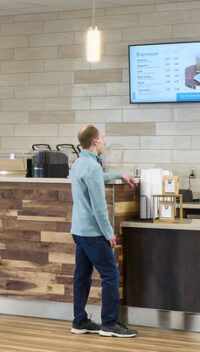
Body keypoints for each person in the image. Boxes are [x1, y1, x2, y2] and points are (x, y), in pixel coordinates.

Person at [69, 126, 139, 338]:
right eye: (102, 138)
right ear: (95, 141)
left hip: (79, 231)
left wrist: (119, 175)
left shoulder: (79, 164)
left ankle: (79, 321)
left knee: (82, 276)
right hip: (93, 233)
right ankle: (109, 324)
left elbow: (96, 177)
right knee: (110, 274)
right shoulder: (92, 167)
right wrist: (109, 233)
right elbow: (99, 208)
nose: (104, 142)